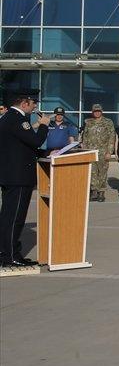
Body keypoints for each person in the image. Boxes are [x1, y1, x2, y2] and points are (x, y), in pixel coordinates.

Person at [0, 88, 51, 267]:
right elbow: (35, 141)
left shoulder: (8, 118)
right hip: (19, 177)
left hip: (10, 176)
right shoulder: (18, 119)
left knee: (7, 217)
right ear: (24, 103)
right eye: (33, 102)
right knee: (15, 218)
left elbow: (22, 146)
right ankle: (11, 256)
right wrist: (44, 124)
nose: (35, 105)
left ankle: (5, 253)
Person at [80, 104, 116, 202]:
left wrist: (109, 152)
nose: (97, 112)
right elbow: (85, 138)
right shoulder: (88, 122)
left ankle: (101, 192)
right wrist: (85, 150)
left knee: (102, 172)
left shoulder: (108, 122)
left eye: (99, 111)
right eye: (95, 111)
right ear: (92, 112)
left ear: (102, 111)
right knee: (92, 172)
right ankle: (94, 191)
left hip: (103, 152)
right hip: (91, 151)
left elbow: (112, 138)